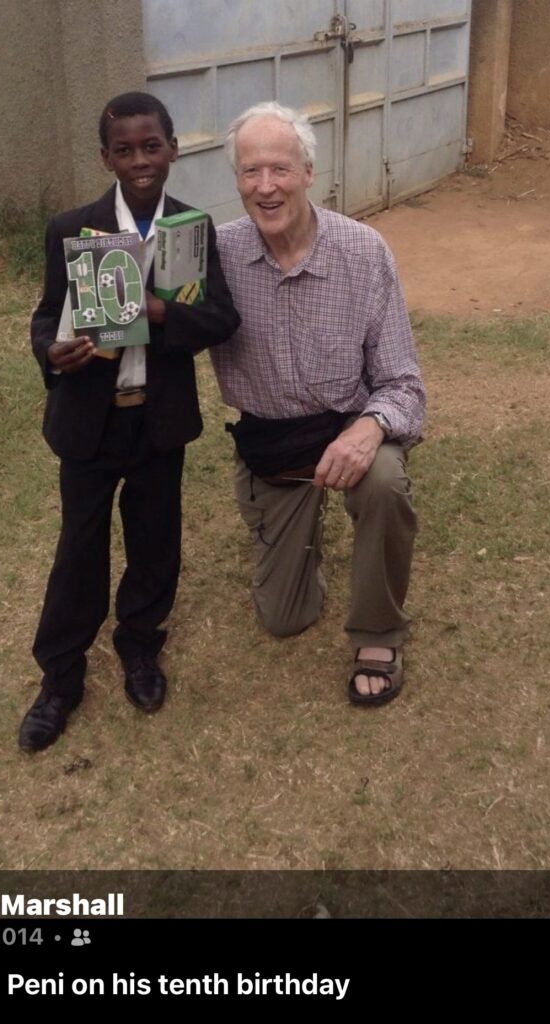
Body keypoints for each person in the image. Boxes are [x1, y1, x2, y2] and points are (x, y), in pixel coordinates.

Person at [19, 92, 240, 751]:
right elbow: (44, 317)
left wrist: (162, 310)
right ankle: (61, 678)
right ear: (106, 158)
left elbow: (221, 318)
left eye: (151, 146)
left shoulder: (192, 229)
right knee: (78, 550)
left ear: (173, 149)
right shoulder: (71, 229)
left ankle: (140, 646)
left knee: (154, 541)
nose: (140, 160)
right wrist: (51, 352)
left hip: (157, 422)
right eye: (125, 150)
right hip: (88, 425)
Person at [211, 102, 426, 705]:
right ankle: (303, 552)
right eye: (250, 172)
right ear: (237, 182)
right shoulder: (215, 257)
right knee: (284, 617)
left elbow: (404, 384)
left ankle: (378, 633)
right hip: (271, 443)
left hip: (345, 429)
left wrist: (367, 431)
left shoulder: (364, 252)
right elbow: (156, 325)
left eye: (279, 169)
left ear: (308, 172)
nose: (265, 186)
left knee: (383, 479)